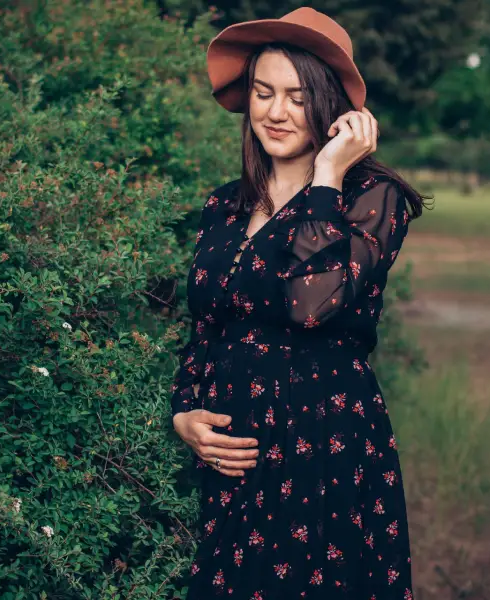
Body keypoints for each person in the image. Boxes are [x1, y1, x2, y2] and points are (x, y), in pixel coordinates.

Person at [169, 7, 426, 599]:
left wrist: (328, 178)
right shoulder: (225, 206)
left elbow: (313, 302)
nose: (276, 112)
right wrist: (185, 414)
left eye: (295, 96)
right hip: (236, 457)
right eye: (263, 93)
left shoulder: (372, 199)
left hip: (324, 446)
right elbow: (206, 326)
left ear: (331, 107)